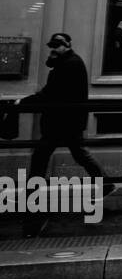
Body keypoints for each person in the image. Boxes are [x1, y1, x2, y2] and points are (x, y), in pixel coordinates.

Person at [20, 34, 112, 235]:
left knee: (43, 154)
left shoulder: (69, 65)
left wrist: (23, 102)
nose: (53, 50)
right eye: (52, 47)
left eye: (57, 46)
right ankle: (105, 182)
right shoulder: (68, 62)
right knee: (77, 153)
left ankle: (32, 192)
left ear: (66, 46)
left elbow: (51, 93)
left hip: (61, 121)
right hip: (66, 120)